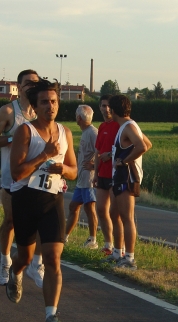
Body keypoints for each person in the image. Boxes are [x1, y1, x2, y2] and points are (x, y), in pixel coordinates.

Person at [8, 79, 77, 322]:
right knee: (25, 258)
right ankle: (15, 272)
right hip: (25, 199)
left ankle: (50, 316)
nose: (51, 106)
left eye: (54, 101)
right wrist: (44, 156)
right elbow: (16, 173)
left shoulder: (65, 133)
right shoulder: (25, 132)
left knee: (52, 258)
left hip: (52, 201)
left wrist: (63, 170)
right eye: (45, 102)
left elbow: (73, 170)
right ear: (35, 107)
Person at [0, 69, 44, 288]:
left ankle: (34, 264)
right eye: (28, 83)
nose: (32, 86)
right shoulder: (9, 111)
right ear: (18, 86)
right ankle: (5, 261)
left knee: (38, 223)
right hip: (11, 178)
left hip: (36, 178)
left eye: (35, 83)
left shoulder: (41, 110)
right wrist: (13, 137)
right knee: (10, 221)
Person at [108, 94, 152, 270]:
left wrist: (125, 161)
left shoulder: (128, 126)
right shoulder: (126, 126)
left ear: (113, 110)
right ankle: (117, 253)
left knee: (127, 218)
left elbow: (142, 146)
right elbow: (147, 144)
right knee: (115, 215)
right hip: (118, 176)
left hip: (126, 176)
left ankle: (130, 258)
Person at [65, 105, 98, 248]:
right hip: (81, 179)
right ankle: (64, 237)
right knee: (73, 206)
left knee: (89, 207)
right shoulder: (85, 132)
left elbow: (102, 151)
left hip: (89, 179)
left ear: (79, 118)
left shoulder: (92, 132)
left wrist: (94, 166)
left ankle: (92, 239)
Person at [93, 95, 120, 256]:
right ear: (100, 107)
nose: (106, 109)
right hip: (102, 173)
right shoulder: (102, 126)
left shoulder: (118, 126)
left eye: (109, 106)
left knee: (114, 213)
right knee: (101, 210)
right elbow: (97, 152)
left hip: (114, 173)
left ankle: (119, 247)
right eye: (103, 106)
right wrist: (95, 174)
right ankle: (108, 244)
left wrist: (110, 155)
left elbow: (124, 148)